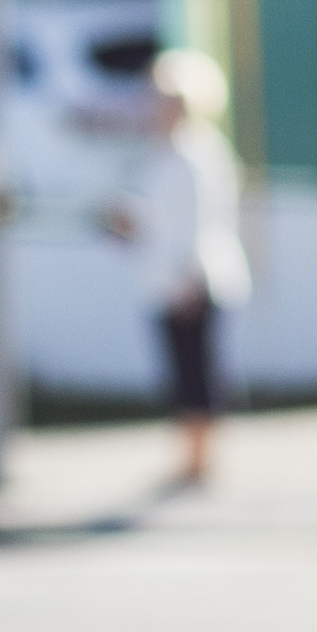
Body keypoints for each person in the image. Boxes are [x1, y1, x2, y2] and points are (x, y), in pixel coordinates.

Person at [109, 43, 251, 490]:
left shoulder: (197, 155)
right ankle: (190, 456)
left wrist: (190, 279)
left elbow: (203, 222)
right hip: (166, 279)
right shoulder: (162, 154)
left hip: (194, 281)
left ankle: (201, 459)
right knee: (181, 370)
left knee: (198, 371)